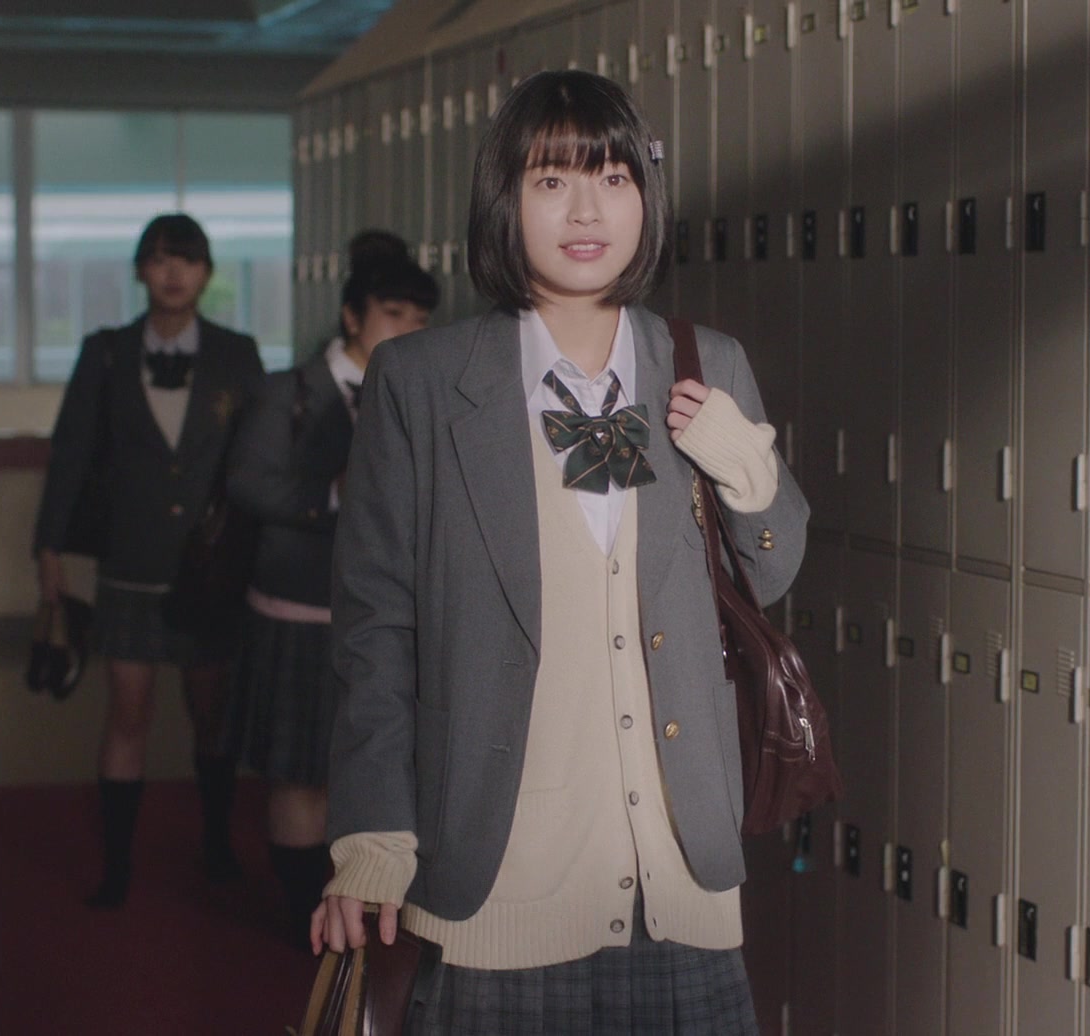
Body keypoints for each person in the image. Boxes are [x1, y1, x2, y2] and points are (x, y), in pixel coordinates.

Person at [312, 70, 809, 1033]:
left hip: (681, 876)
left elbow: (772, 575)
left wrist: (753, 483)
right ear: (505, 198)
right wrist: (372, 832)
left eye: (614, 179)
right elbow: (376, 626)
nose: (587, 211)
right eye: (552, 181)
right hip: (501, 879)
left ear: (645, 197)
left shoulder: (706, 363)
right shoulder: (421, 381)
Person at [32, 213, 267, 909]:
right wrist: (49, 551)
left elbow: (256, 460)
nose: (173, 273)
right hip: (129, 561)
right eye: (160, 259)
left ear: (206, 273)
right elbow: (70, 455)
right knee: (126, 714)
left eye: (187, 260)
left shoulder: (237, 353)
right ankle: (117, 866)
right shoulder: (104, 352)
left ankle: (218, 844)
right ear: (140, 269)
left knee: (211, 716)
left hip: (209, 568)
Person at [222, 235, 438, 942]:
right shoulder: (288, 391)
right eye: (394, 314)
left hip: (389, 613)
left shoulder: (422, 389)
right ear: (352, 315)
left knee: (379, 766)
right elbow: (247, 483)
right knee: (300, 773)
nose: (407, 330)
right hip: (299, 609)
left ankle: (364, 907)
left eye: (419, 319)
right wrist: (333, 496)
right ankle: (298, 923)